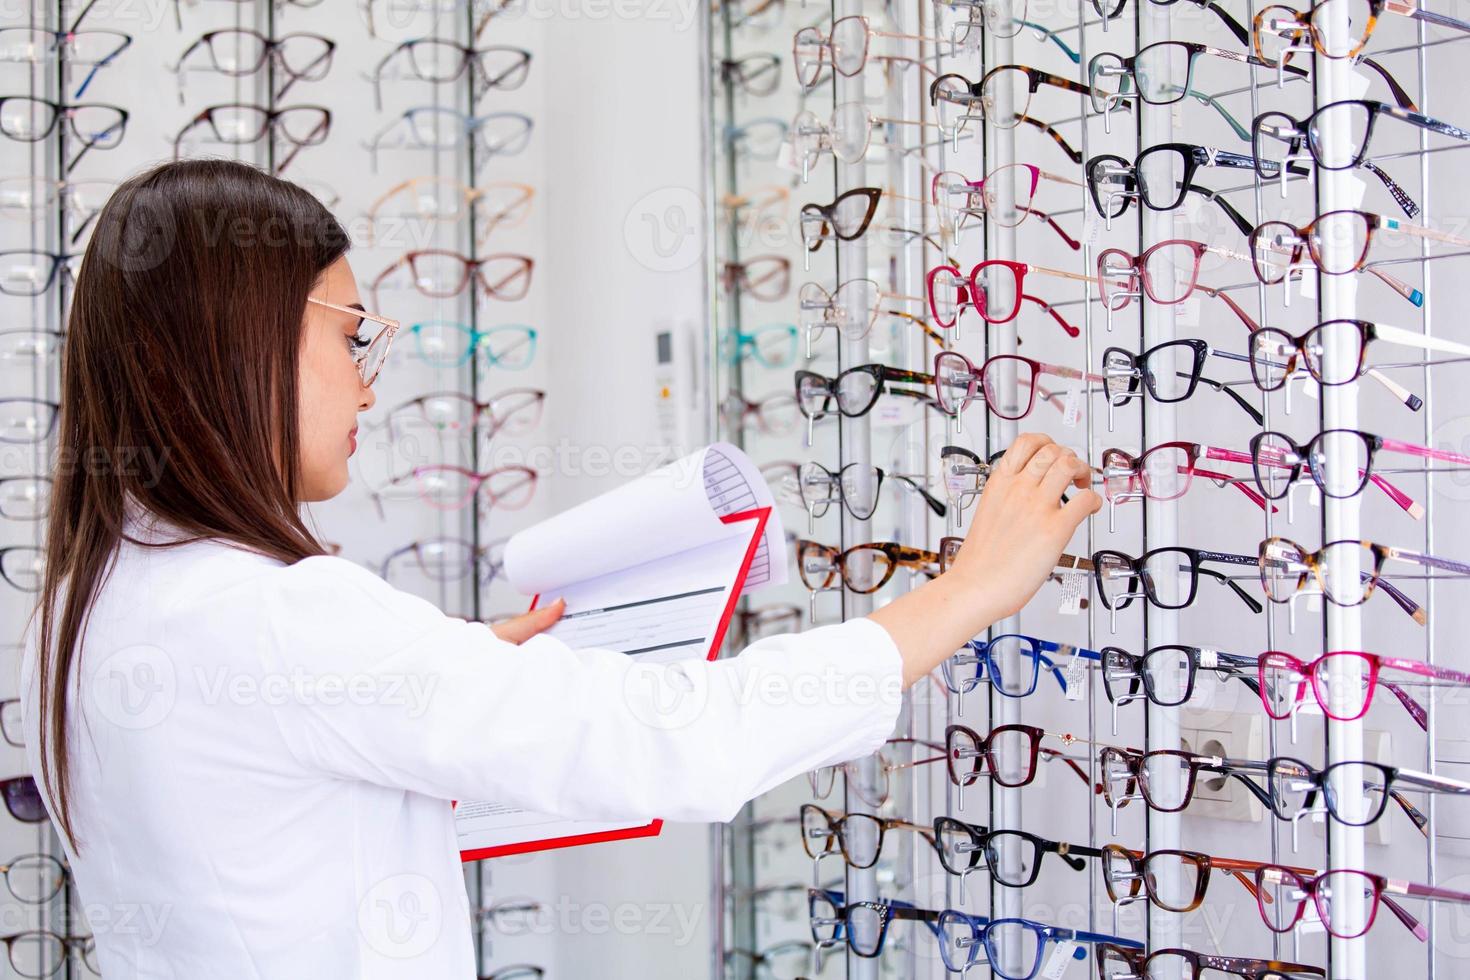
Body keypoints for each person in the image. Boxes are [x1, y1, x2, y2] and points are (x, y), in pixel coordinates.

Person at [19, 159, 1100, 977]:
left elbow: (263, 788)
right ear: (239, 340)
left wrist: (437, 674)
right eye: (352, 337)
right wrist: (967, 590)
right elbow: (687, 737)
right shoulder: (285, 620)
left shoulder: (85, 603)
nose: (368, 384)